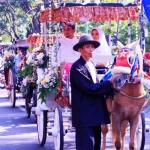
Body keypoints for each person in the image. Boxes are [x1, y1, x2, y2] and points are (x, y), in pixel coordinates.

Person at [70, 35, 114, 150]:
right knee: (86, 146)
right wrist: (108, 83)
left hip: (95, 114)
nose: (91, 50)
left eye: (92, 47)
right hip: (84, 114)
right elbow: (89, 87)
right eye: (88, 47)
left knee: (95, 146)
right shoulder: (77, 67)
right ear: (80, 50)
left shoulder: (91, 64)